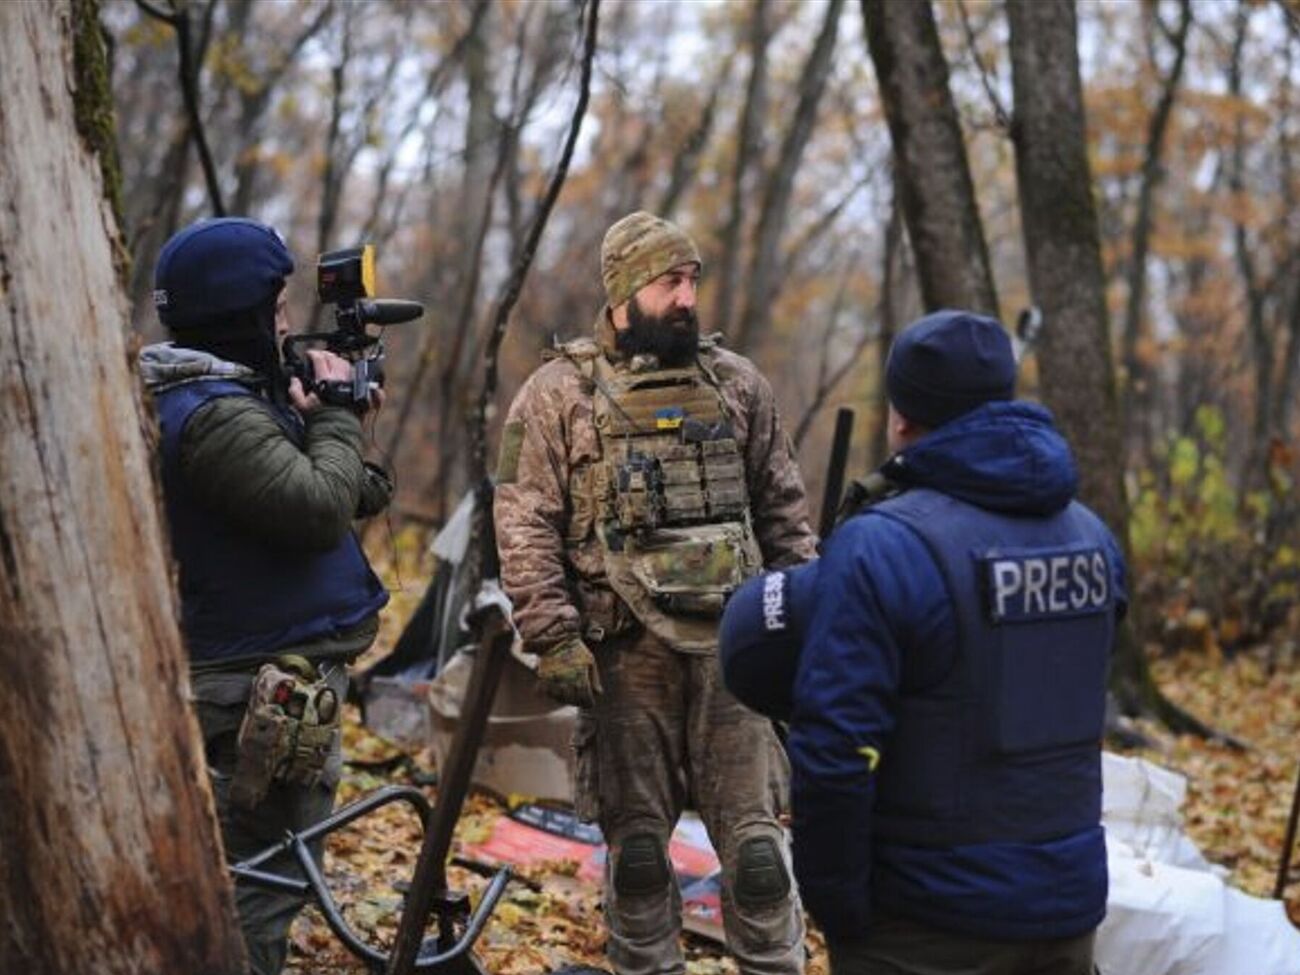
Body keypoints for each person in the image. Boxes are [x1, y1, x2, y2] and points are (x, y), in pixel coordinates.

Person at [719, 309, 1128, 975]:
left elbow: (834, 750)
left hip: (925, 925)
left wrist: (839, 906)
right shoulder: (1092, 538)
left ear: (902, 418)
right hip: (1067, 913)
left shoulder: (883, 546)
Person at [494, 211, 816, 975]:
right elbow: (525, 521)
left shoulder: (738, 384)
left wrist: (802, 624)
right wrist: (553, 633)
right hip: (620, 652)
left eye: (692, 280)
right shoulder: (556, 395)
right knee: (638, 853)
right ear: (622, 291)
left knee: (760, 857)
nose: (685, 297)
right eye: (669, 281)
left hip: (734, 652)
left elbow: (784, 515)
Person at [138, 217, 391, 975]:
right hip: (255, 688)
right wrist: (338, 411)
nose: (286, 322)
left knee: (269, 871)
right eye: (275, 306)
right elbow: (316, 508)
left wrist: (326, 409)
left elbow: (358, 490)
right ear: (234, 313)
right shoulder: (210, 413)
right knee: (262, 880)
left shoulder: (233, 396)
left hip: (273, 679)